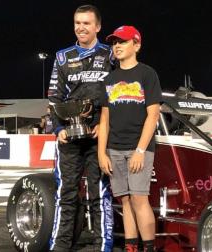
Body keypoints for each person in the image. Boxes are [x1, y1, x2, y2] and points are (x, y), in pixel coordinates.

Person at [47, 5, 114, 252]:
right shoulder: (63, 57)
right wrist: (58, 129)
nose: (81, 28)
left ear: (97, 27)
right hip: (69, 136)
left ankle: (103, 245)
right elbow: (54, 96)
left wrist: (104, 124)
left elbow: (117, 94)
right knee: (66, 194)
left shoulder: (110, 55)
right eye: (77, 23)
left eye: (86, 23)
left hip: (100, 136)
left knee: (99, 193)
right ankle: (60, 246)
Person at [98, 25, 162, 252]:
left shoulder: (147, 74)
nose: (117, 45)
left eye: (123, 41)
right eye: (114, 42)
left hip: (139, 149)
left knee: (139, 199)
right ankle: (131, 246)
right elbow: (104, 120)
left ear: (137, 45)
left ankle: (149, 247)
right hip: (114, 150)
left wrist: (140, 150)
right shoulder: (109, 79)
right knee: (125, 200)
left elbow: (153, 115)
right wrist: (101, 153)